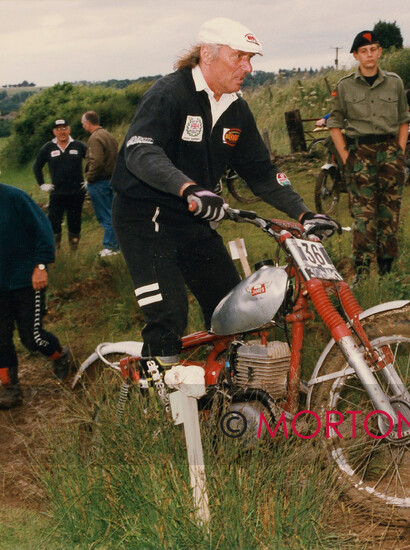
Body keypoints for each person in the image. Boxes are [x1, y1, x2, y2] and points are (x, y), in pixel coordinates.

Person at [110, 17, 338, 382]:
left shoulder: (236, 109)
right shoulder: (170, 94)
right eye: (239, 57)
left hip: (193, 218)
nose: (247, 67)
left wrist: (305, 213)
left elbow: (262, 172)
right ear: (207, 54)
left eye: (251, 59)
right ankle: (154, 407)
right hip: (145, 217)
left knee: (235, 311)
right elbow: (141, 151)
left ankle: (227, 397)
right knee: (169, 314)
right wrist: (187, 187)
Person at [0, 158, 71, 410]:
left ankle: (60, 356)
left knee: (31, 338)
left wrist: (41, 266)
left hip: (27, 281)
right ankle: (11, 389)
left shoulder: (15, 198)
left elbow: (43, 232)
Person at [327, 30, 410, 280]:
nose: (369, 54)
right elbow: (334, 123)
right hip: (359, 155)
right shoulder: (344, 86)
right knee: (363, 216)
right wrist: (346, 156)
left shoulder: (394, 82)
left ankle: (387, 274)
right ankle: (361, 274)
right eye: (364, 51)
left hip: (389, 154)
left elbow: (404, 119)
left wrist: (400, 151)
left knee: (389, 214)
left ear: (380, 52)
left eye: (373, 49)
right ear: (355, 55)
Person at [33, 119, 87, 250]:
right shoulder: (48, 147)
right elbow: (37, 166)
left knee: (74, 221)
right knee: (54, 221)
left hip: (76, 192)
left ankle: (74, 250)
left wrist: (89, 179)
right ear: (54, 132)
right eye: (58, 129)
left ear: (69, 129)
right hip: (57, 193)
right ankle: (56, 250)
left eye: (64, 128)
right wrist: (42, 184)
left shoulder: (78, 145)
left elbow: (93, 161)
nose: (62, 132)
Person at [81, 111, 120, 257]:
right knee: (111, 212)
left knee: (105, 215)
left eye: (83, 123)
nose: (83, 126)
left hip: (99, 182)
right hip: (111, 180)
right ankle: (116, 246)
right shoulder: (108, 135)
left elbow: (96, 161)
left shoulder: (95, 138)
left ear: (88, 122)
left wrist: (90, 179)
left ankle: (110, 247)